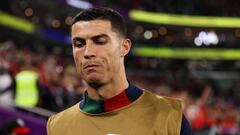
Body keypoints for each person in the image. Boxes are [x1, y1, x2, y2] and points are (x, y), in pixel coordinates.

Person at [47, 7, 193, 135]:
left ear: (124, 47)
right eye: (79, 44)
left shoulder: (169, 117)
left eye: (100, 41)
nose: (88, 52)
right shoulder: (57, 126)